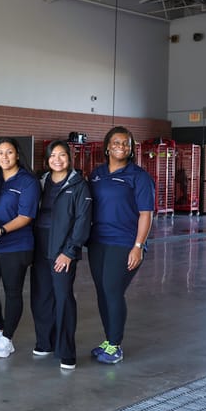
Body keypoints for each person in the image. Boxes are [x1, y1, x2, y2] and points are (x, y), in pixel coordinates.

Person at [88, 126, 154, 364]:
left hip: (124, 243)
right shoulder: (96, 174)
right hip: (98, 242)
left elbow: (146, 214)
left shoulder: (139, 176)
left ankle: (115, 346)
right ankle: (108, 340)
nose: (121, 147)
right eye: (116, 142)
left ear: (131, 148)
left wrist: (138, 245)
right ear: (107, 146)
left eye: (126, 143)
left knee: (113, 290)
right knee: (102, 292)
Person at [30, 141, 92, 370]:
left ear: (70, 157)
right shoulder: (42, 182)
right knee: (41, 296)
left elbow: (82, 221)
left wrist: (69, 252)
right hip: (39, 245)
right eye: (53, 155)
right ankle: (45, 342)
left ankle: (66, 350)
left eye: (62, 155)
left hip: (62, 248)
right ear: (47, 160)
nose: (57, 159)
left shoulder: (78, 185)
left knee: (63, 296)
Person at [0, 137, 40, 359]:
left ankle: (7, 338)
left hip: (16, 245)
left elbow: (26, 216)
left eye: (9, 152)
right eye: (0, 153)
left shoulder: (27, 182)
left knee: (13, 292)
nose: (4, 156)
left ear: (18, 155)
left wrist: (1, 230)